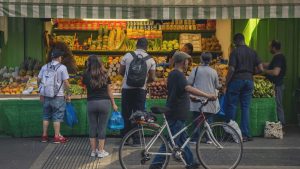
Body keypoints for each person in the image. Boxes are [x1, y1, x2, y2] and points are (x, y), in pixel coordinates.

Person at [150, 51, 217, 169]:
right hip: (177, 112)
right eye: (187, 61)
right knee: (172, 140)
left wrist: (193, 98)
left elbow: (180, 91)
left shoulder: (173, 74)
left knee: (182, 138)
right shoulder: (179, 75)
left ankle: (191, 162)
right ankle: (156, 164)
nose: (188, 64)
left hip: (175, 109)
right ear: (182, 62)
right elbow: (188, 88)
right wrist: (207, 95)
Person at [224, 33, 264, 142]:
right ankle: (245, 134)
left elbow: (231, 69)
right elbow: (261, 69)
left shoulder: (235, 52)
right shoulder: (253, 52)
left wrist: (226, 83)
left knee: (232, 106)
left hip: (237, 80)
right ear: (243, 40)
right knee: (245, 108)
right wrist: (251, 73)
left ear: (236, 41)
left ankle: (231, 133)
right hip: (249, 80)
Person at [119, 38, 156, 139]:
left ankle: (125, 138)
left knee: (126, 113)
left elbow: (120, 71)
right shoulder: (151, 59)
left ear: (136, 45)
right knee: (139, 114)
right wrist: (144, 81)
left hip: (127, 89)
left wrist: (128, 79)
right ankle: (136, 139)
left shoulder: (127, 55)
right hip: (141, 90)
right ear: (146, 47)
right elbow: (152, 78)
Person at [82, 55, 118, 158]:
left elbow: (84, 87)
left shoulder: (86, 74)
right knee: (102, 127)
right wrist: (114, 104)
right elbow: (109, 91)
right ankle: (101, 151)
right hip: (104, 103)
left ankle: (93, 151)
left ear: (89, 63)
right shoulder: (105, 74)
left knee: (92, 127)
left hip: (91, 103)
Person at [38, 48, 71, 144]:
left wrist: (41, 91)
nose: (61, 58)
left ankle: (44, 136)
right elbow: (66, 82)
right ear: (59, 57)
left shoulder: (45, 67)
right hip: (58, 96)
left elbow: (39, 79)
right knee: (57, 116)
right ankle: (57, 137)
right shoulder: (62, 68)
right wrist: (68, 93)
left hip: (46, 95)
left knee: (46, 116)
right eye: (61, 56)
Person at [188, 52, 222, 144]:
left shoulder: (196, 69)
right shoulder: (213, 71)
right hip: (209, 98)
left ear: (201, 59)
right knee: (209, 119)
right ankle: (209, 138)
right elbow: (217, 86)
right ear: (210, 60)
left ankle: (196, 139)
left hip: (197, 97)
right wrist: (222, 83)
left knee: (197, 118)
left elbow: (189, 82)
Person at [263, 40, 286, 125]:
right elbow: (270, 64)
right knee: (277, 105)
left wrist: (265, 71)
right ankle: (278, 126)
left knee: (278, 106)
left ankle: (281, 126)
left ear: (274, 48)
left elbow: (276, 72)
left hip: (278, 85)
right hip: (277, 85)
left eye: (270, 47)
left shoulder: (278, 57)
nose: (269, 48)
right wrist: (260, 64)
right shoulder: (277, 57)